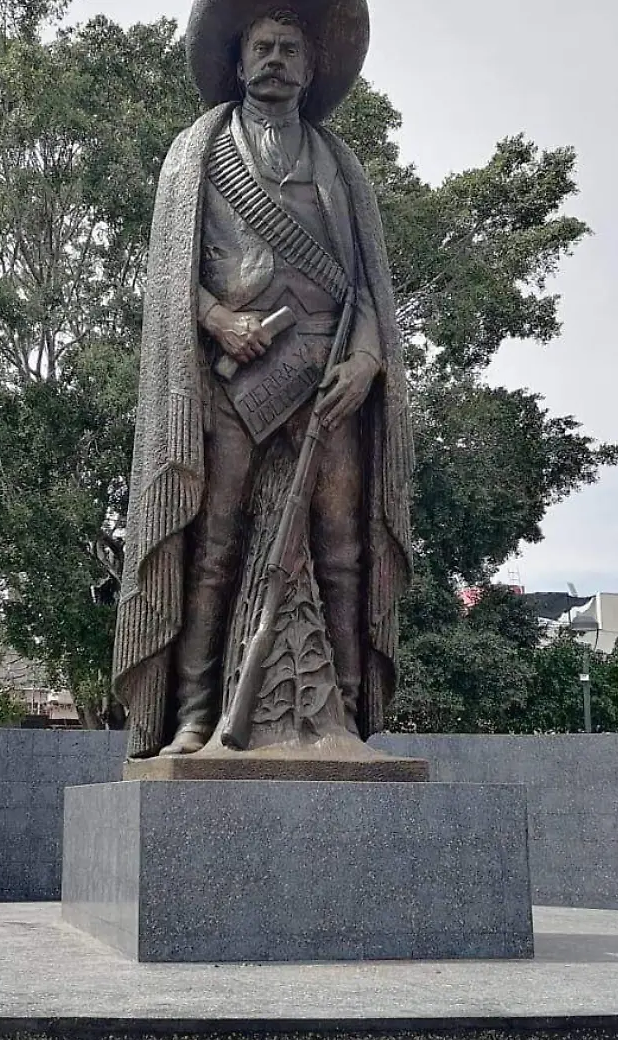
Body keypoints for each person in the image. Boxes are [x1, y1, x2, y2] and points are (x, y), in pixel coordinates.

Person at [112, 0, 412, 760]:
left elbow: (369, 288)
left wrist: (369, 360)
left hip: (329, 373)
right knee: (212, 543)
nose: (276, 58)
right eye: (262, 47)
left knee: (341, 546)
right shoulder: (196, 154)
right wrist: (218, 321)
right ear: (239, 63)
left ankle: (343, 716)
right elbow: (169, 279)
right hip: (233, 376)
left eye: (290, 49)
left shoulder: (342, 166)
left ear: (312, 69)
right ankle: (191, 715)